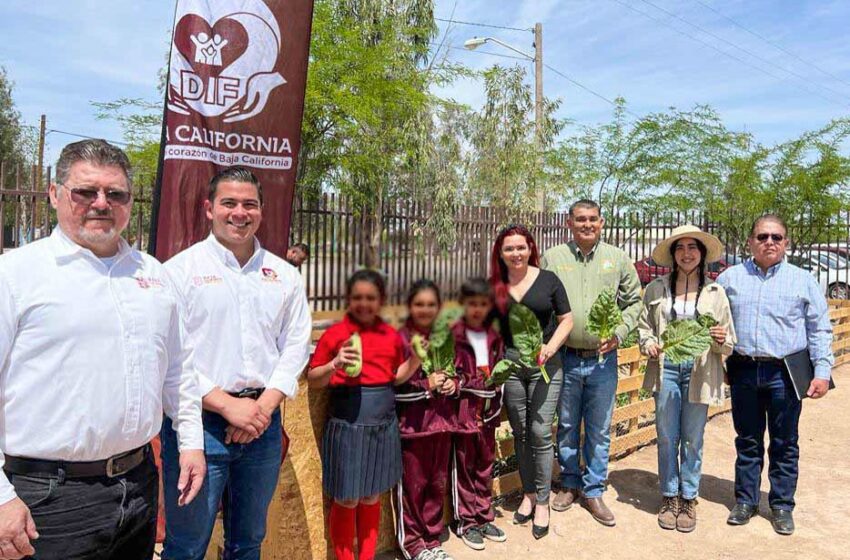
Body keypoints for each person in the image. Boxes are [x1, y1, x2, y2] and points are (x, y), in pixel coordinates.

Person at [0, 139, 206, 560]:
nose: (101, 203)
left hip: (138, 488)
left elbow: (179, 372)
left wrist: (191, 443)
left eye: (115, 194)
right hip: (46, 500)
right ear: (55, 194)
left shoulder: (154, 275)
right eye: (85, 192)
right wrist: (1, 498)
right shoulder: (15, 275)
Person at [161, 166, 312, 559]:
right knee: (187, 544)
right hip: (198, 426)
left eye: (249, 204)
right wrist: (228, 406)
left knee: (248, 541)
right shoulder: (179, 272)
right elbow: (170, 355)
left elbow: (295, 346)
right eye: (229, 203)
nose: (239, 213)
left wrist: (260, 409)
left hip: (262, 424)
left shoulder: (283, 276)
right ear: (209, 208)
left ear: (261, 210)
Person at [717, 215, 833, 536]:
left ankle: (781, 505)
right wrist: (720, 364)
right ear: (750, 241)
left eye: (777, 237)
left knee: (785, 442)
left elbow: (819, 328)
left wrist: (822, 371)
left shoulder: (802, 280)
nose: (770, 242)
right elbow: (713, 323)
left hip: (786, 371)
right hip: (743, 368)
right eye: (763, 236)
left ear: (787, 243)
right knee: (748, 440)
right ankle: (746, 501)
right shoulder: (730, 279)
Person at [308, 270, 422, 560]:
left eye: (370, 298)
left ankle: (367, 557)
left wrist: (417, 359)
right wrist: (334, 363)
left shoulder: (391, 335)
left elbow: (395, 376)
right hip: (347, 427)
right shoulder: (335, 335)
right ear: (349, 299)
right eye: (357, 297)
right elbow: (313, 378)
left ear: (381, 300)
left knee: (371, 495)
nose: (364, 303)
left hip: (382, 426)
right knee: (347, 497)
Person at [541, 199, 641, 527]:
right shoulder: (553, 258)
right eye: (580, 219)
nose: (587, 224)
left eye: (593, 219)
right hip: (565, 359)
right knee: (567, 424)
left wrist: (621, 332)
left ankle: (594, 488)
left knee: (599, 427)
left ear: (602, 222)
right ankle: (569, 483)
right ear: (569, 222)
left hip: (603, 360)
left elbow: (634, 301)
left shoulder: (618, 259)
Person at [637, 225, 736, 532]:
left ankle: (689, 497)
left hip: (700, 372)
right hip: (665, 369)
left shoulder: (716, 294)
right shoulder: (656, 289)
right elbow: (644, 328)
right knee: (667, 436)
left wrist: (720, 338)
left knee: (693, 438)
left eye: (693, 247)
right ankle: (668, 496)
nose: (687, 253)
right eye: (681, 248)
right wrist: (648, 343)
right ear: (673, 254)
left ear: (702, 254)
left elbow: (729, 341)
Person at [490, 224, 573, 539]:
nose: (515, 253)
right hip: (512, 363)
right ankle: (527, 493)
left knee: (539, 431)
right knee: (521, 431)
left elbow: (567, 319)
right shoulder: (495, 286)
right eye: (509, 248)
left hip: (545, 363)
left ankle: (542, 500)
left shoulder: (548, 280)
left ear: (530, 248)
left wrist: (551, 346)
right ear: (501, 252)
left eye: (520, 247)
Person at [394, 279, 458, 560]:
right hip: (412, 428)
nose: (425, 309)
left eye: (431, 304)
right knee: (413, 488)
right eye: (419, 304)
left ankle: (432, 539)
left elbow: (457, 372)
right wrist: (425, 384)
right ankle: (413, 544)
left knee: (436, 484)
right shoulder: (400, 338)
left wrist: (452, 384)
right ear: (409, 306)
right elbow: (393, 385)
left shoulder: (445, 338)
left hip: (441, 424)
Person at [451, 278, 506, 551]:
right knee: (464, 466)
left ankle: (484, 516)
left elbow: (499, 370)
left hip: (488, 412)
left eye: (482, 304)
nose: (477, 309)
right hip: (464, 413)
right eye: (471, 303)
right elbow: (453, 376)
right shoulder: (454, 336)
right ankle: (466, 521)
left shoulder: (494, 337)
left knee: (485, 464)